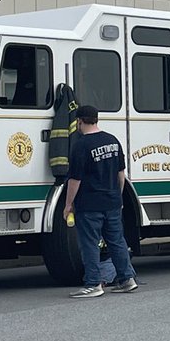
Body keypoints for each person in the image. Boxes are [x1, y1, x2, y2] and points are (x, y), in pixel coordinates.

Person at [63, 105, 137, 298]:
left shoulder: (81, 146)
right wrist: (118, 196)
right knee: (117, 242)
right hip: (112, 202)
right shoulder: (113, 141)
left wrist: (68, 204)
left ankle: (93, 284)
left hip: (90, 205)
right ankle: (127, 279)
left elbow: (75, 180)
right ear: (96, 119)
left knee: (89, 244)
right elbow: (121, 174)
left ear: (79, 121)